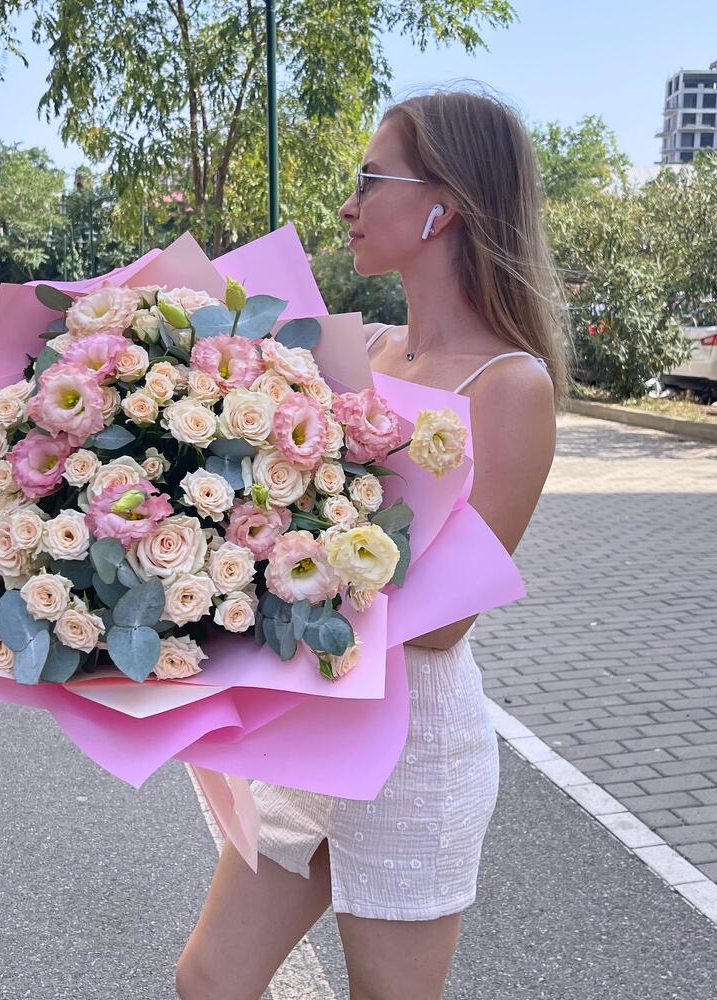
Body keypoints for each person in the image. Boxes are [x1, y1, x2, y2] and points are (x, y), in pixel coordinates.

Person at [175, 86, 571, 1000]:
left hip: (414, 749)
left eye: (369, 180)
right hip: (317, 727)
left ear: (444, 205)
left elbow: (444, 625)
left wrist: (279, 566)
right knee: (208, 981)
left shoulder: (510, 386)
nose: (348, 204)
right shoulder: (367, 351)